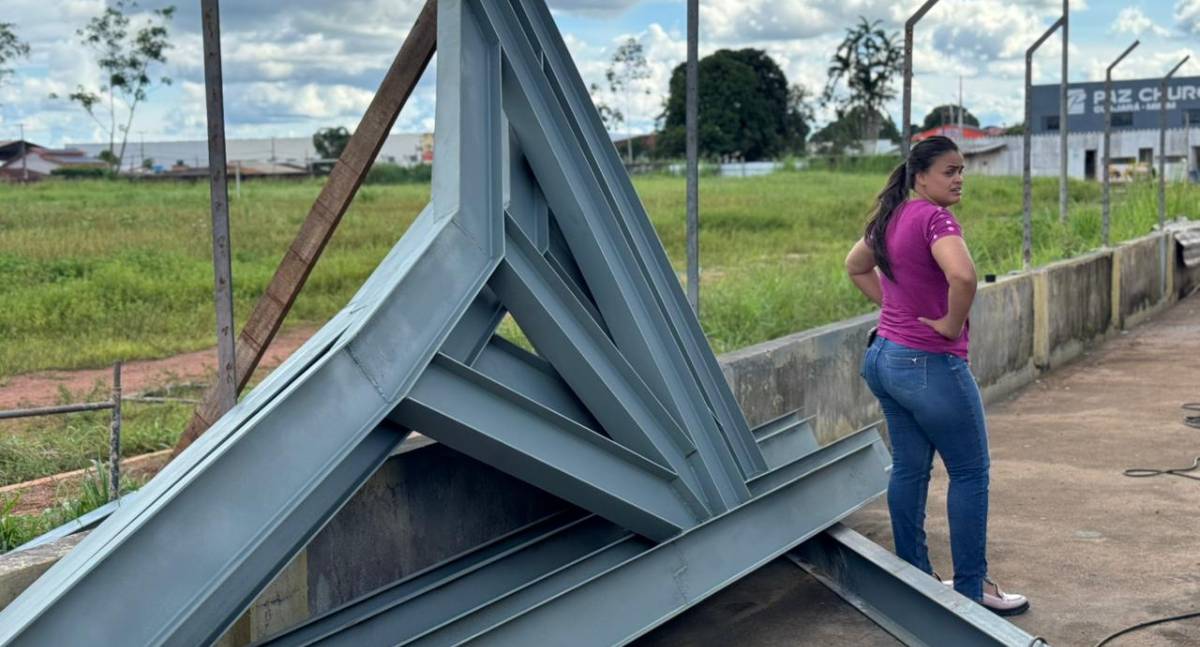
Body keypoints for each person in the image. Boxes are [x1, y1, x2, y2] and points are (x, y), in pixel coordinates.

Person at [844, 135, 1028, 616]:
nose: (959, 178)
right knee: (970, 473)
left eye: (962, 170)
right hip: (928, 363)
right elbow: (963, 276)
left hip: (885, 358)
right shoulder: (933, 218)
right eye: (950, 170)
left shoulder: (893, 217)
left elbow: (855, 265)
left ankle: (915, 578)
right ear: (921, 175)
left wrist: (894, 309)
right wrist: (948, 323)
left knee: (909, 468)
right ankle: (970, 590)